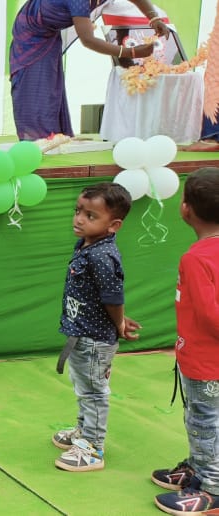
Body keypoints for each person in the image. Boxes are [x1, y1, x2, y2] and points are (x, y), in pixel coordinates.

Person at [50, 182, 138, 472]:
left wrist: (120, 323)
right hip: (81, 334)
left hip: (94, 339)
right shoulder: (88, 246)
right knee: (84, 387)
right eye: (78, 211)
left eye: (90, 216)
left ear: (113, 225)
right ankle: (83, 431)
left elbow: (113, 298)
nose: (79, 219)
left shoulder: (101, 256)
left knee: (94, 392)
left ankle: (93, 449)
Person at [150, 168, 219, 513]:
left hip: (208, 364)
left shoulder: (196, 258)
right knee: (202, 416)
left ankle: (212, 488)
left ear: (186, 209)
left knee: (205, 420)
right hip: (201, 360)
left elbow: (210, 315)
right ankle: (198, 468)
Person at [10, 0, 168, 140]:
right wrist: (131, 52)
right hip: (31, 32)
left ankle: (53, 135)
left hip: (50, 32)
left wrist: (154, 18)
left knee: (51, 85)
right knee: (33, 84)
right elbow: (88, 40)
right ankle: (35, 139)